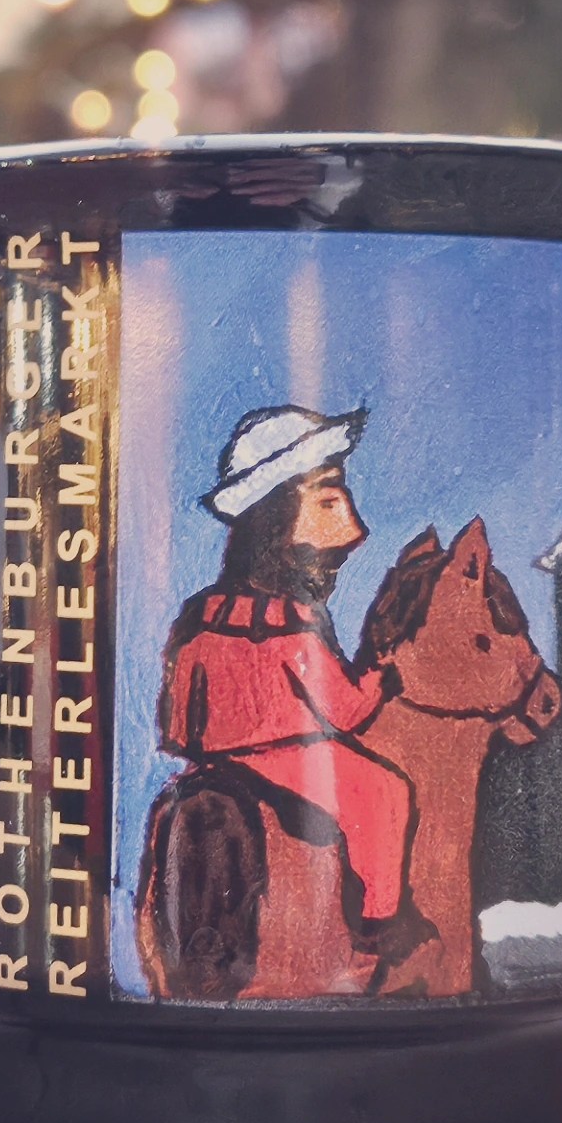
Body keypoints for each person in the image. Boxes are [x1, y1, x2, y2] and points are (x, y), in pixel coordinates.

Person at [156, 405, 423, 958]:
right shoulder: (290, 622)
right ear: (277, 518)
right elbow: (345, 711)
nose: (354, 530)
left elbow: (176, 713)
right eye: (328, 500)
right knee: (384, 792)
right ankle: (378, 926)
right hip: (283, 758)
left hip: (212, 763)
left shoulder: (203, 613)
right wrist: (379, 671)